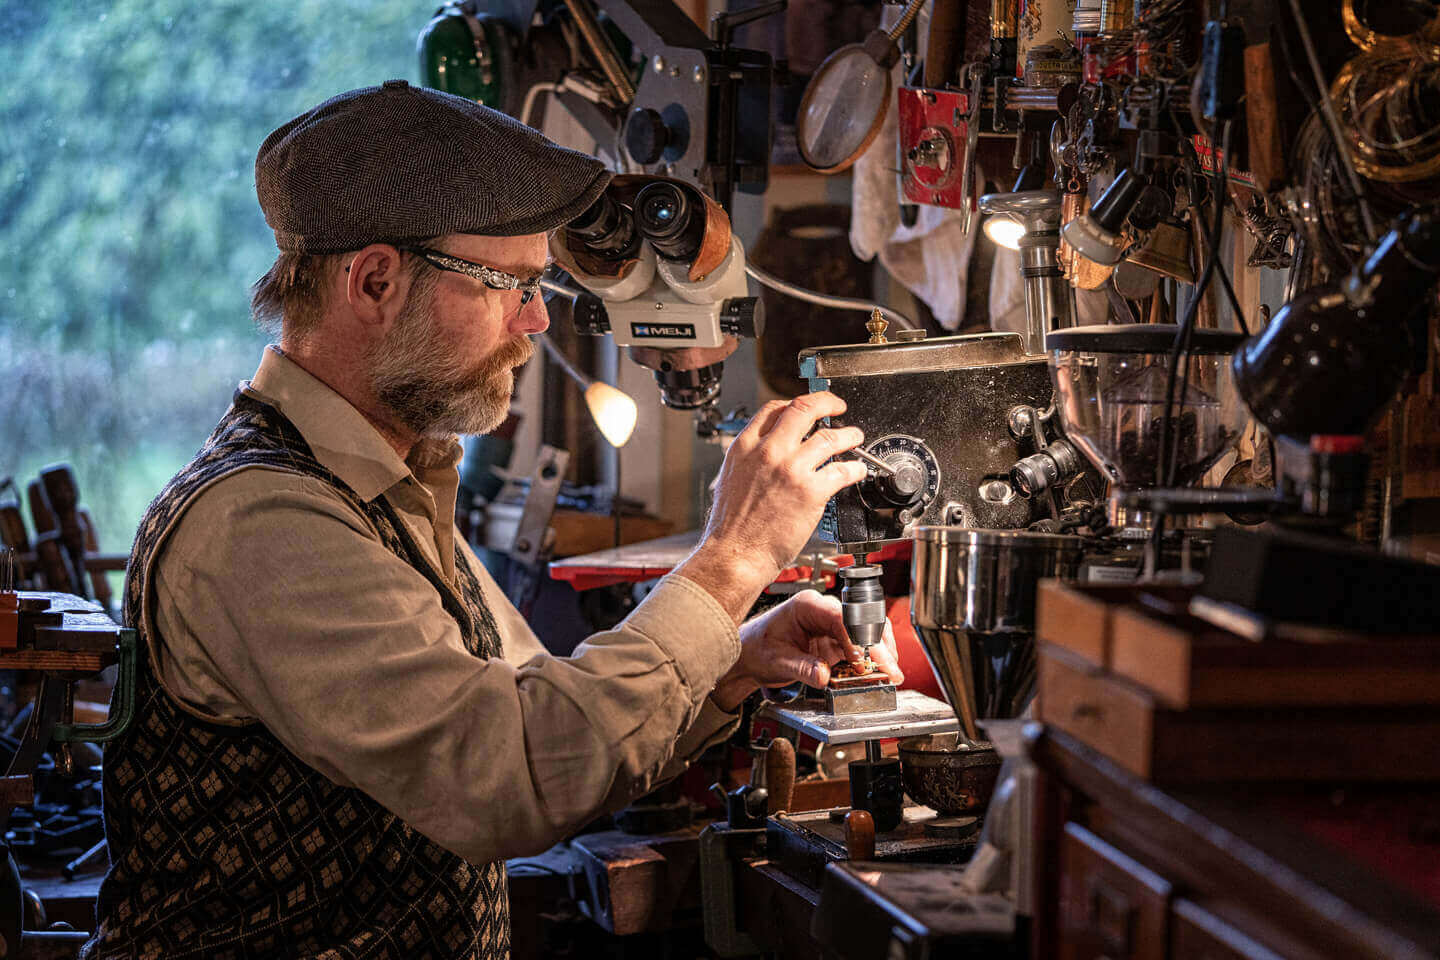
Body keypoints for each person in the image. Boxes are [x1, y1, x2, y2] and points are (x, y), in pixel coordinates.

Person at [81, 81, 902, 960]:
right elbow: (513, 777)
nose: (537, 318)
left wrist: (731, 665)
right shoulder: (263, 520)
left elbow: (559, 728)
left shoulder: (382, 486)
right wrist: (731, 559)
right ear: (375, 282)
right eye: (507, 282)